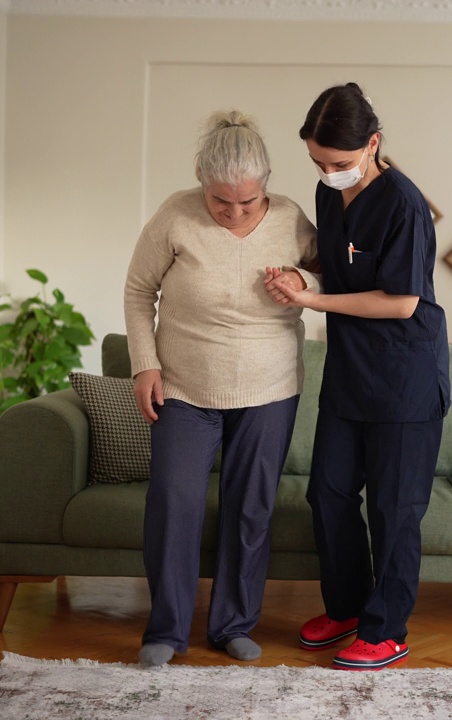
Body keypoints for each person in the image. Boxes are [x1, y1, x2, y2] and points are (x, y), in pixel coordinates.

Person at [265, 83, 451, 672]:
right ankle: (345, 608)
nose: (329, 173)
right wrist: (297, 268)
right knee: (329, 493)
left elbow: (400, 302)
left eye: (340, 163)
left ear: (373, 144)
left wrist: (310, 300)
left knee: (394, 509)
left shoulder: (403, 202)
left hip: (405, 374)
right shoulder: (329, 192)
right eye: (318, 162)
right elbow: (340, 257)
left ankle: (387, 627)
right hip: (351, 371)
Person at [125, 110, 319, 668]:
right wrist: (144, 364)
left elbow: (331, 276)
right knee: (173, 502)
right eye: (221, 202)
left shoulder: (290, 218)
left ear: (267, 186)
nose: (234, 213)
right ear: (200, 181)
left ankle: (233, 623)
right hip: (184, 387)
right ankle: (165, 630)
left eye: (248, 203)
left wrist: (304, 282)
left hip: (271, 386)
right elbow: (139, 290)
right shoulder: (174, 215)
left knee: (250, 508)